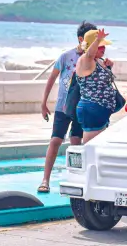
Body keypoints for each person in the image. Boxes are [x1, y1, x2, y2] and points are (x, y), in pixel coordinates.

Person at [38, 21, 95, 193]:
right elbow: (52, 78)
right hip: (63, 107)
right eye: (91, 40)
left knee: (76, 142)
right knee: (55, 140)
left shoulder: (93, 59)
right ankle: (45, 179)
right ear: (81, 39)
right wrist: (44, 102)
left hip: (80, 108)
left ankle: (76, 179)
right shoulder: (66, 57)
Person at [75, 28, 116, 144]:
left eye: (104, 46)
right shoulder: (86, 59)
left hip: (101, 108)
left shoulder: (98, 60)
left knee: (99, 145)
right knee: (90, 146)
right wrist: (98, 40)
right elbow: (89, 53)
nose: (103, 49)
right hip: (92, 106)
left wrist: (109, 66)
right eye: (100, 46)